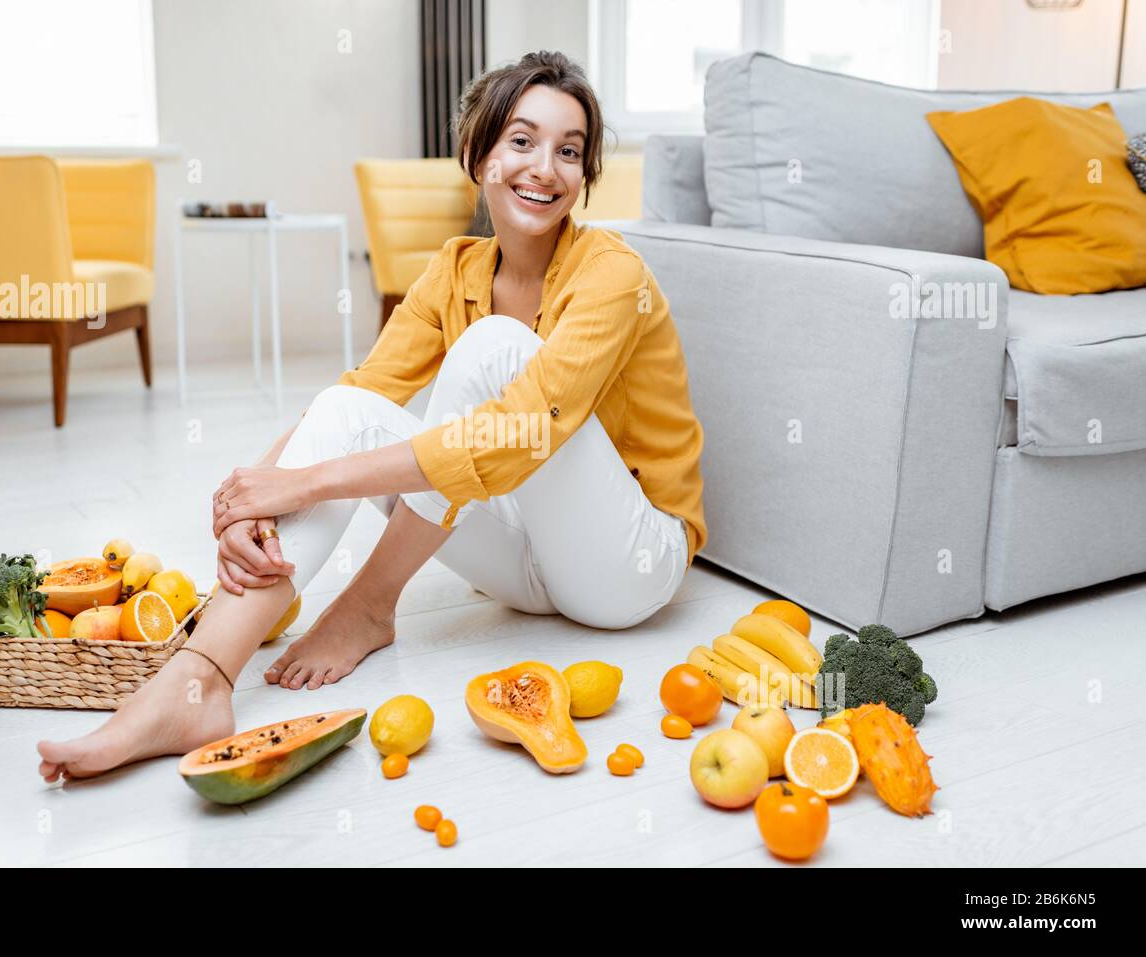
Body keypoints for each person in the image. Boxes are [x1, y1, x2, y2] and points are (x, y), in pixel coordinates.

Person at [37, 50, 705, 783]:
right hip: (525, 565)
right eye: (521, 140)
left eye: (569, 151)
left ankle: (368, 606)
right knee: (349, 407)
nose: (545, 166)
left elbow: (522, 432)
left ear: (584, 175)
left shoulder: (611, 272)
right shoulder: (453, 271)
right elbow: (359, 395)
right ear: (479, 154)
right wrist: (252, 497)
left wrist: (308, 486)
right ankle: (198, 681)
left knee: (491, 351)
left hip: (628, 563)